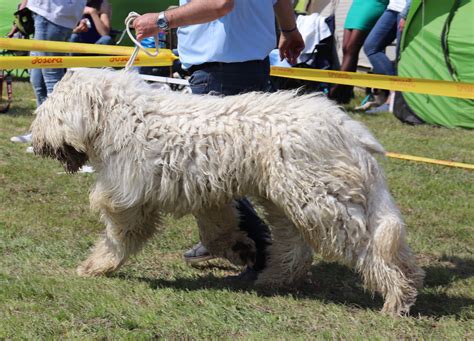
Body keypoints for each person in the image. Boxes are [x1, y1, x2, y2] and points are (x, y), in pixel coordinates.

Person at [133, 0, 304, 280]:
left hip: (221, 73)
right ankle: (220, 240)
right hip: (248, 66)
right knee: (242, 168)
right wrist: (288, 28)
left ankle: (259, 253)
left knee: (218, 175)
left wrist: (160, 21)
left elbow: (219, 4)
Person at [10, 0, 86, 144]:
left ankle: (57, 137)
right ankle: (40, 132)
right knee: (37, 77)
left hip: (51, 14)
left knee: (52, 79)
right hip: (60, 15)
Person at [328, 0, 388, 104]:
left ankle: (335, 90)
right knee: (346, 48)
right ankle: (345, 93)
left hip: (373, 4)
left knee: (352, 48)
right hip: (358, 4)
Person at [362, 0, 409, 113]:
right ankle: (394, 93)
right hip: (392, 8)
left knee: (401, 55)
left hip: (407, 9)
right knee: (371, 47)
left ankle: (392, 101)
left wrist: (406, 13)